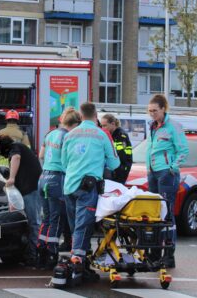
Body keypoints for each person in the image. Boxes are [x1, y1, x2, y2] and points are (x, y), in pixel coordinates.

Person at [60, 102, 119, 282]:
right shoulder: (101, 134)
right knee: (83, 227)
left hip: (70, 186)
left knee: (75, 227)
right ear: (95, 116)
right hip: (88, 187)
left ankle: (83, 265)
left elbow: (63, 163)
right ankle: (78, 265)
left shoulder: (69, 135)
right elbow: (115, 163)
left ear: (80, 115)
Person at [146, 94, 188, 268]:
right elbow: (150, 149)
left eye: (155, 110)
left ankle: (169, 254)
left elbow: (183, 150)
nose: (152, 114)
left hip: (166, 173)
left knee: (167, 214)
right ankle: (155, 252)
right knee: (155, 213)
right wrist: (148, 169)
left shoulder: (173, 126)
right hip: (153, 172)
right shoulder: (152, 126)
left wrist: (172, 167)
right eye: (150, 111)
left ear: (163, 109)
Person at [36, 107, 81, 269]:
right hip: (58, 179)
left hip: (44, 177)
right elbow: (70, 160)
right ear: (75, 124)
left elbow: (41, 155)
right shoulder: (68, 136)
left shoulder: (50, 134)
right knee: (57, 219)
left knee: (46, 218)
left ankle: (40, 253)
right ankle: (51, 254)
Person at [0, 133, 42, 266]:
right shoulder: (19, 147)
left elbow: (16, 157)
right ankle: (30, 253)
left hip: (31, 189)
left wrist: (12, 178)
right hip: (30, 188)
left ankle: (34, 255)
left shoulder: (15, 148)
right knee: (32, 222)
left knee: (34, 222)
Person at [100, 114, 133, 184]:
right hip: (114, 170)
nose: (102, 128)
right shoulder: (110, 135)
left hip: (120, 171)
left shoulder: (120, 135)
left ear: (113, 124)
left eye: (105, 125)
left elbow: (121, 155)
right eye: (101, 126)